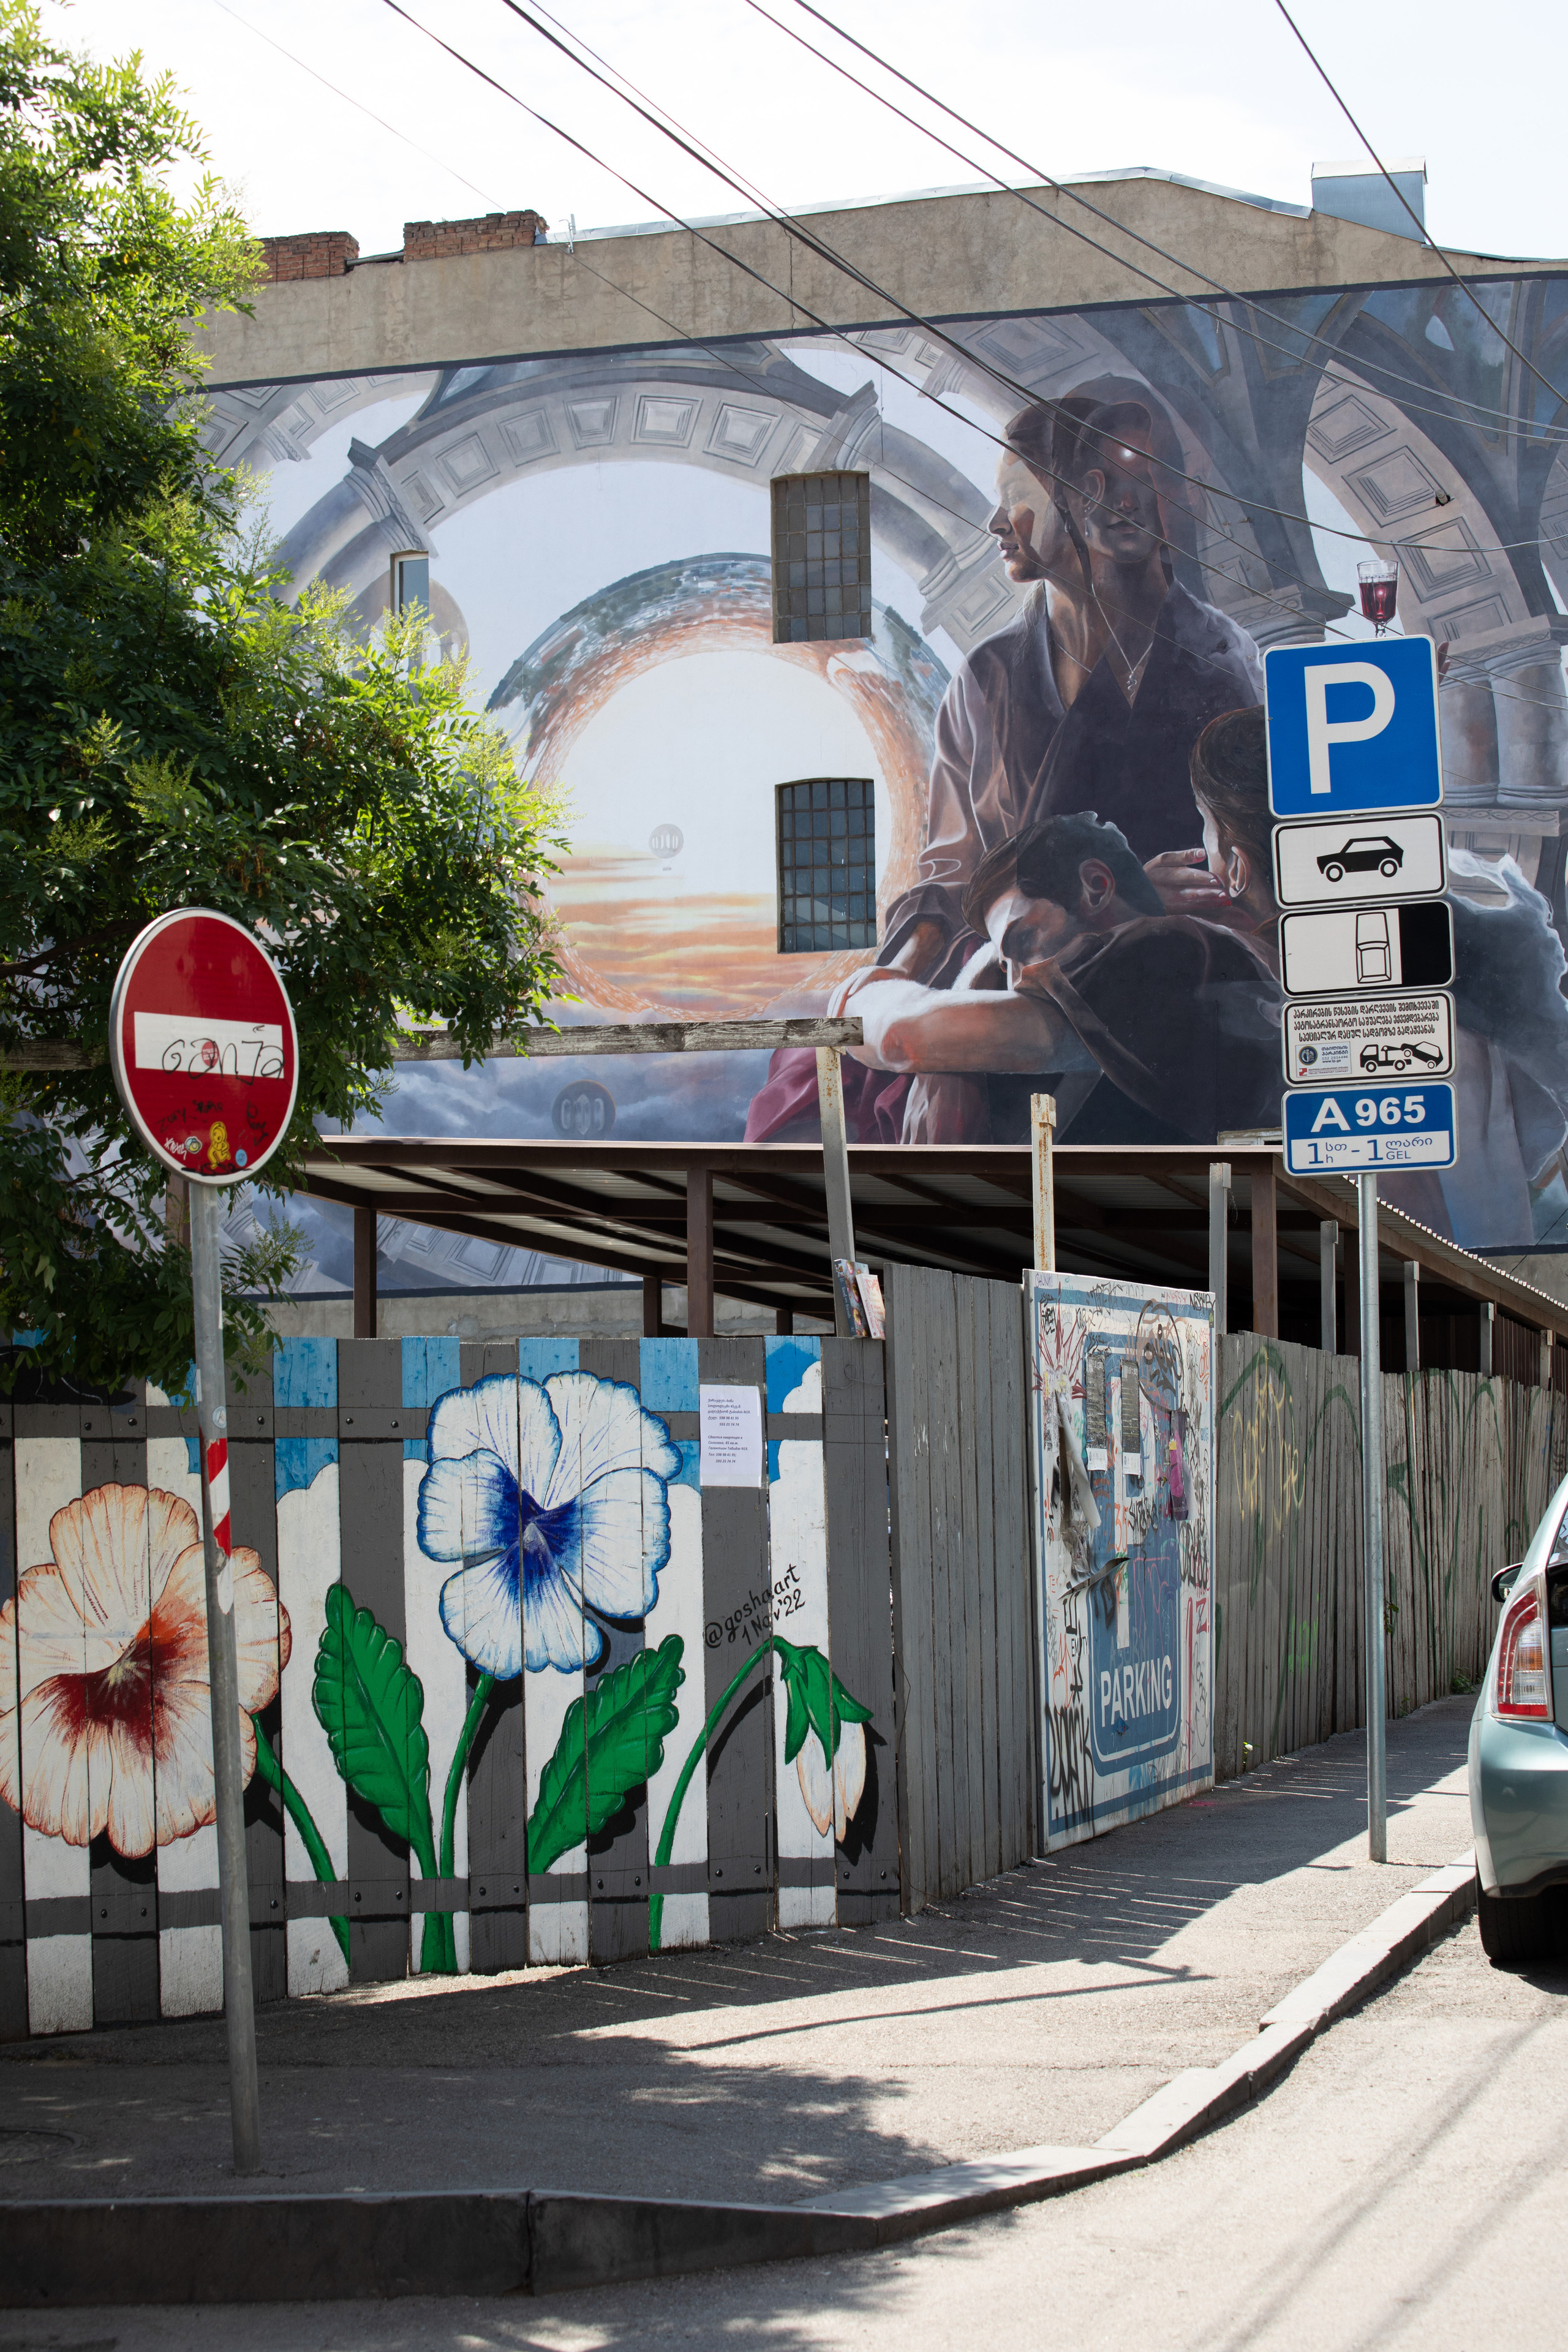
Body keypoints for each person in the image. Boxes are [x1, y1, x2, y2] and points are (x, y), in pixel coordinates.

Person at [1182, 706, 1568, 1248]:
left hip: (1387, 1285)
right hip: (1476, 1282)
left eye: (1205, 821)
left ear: (1239, 865)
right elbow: (1534, 1139)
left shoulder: (1266, 1005)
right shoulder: (1433, 975)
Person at [839, 810, 1285, 1146]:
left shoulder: (1139, 955)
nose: (1015, 984)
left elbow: (899, 1036)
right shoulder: (1177, 948)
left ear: (1096, 885)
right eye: (1005, 961)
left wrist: (851, 1000)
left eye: (1024, 938)